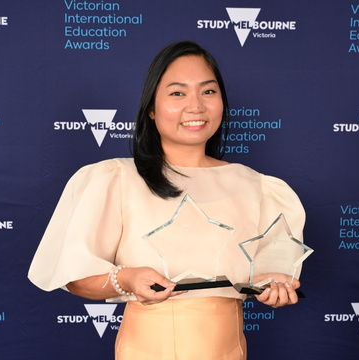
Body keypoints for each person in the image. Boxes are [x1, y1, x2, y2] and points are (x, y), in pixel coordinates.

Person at [28, 40, 307, 360]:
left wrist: (273, 287)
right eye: (178, 93)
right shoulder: (117, 179)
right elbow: (77, 278)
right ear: (151, 107)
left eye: (208, 91)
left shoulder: (257, 187)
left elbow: (271, 273)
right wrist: (127, 279)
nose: (196, 106)